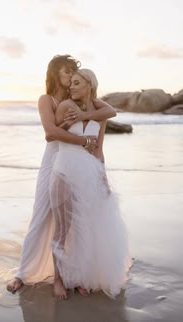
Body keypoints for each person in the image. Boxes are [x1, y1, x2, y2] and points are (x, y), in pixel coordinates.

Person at [6, 55, 116, 294]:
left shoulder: (75, 99)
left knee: (73, 220)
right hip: (52, 160)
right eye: (67, 72)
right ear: (56, 73)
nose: (70, 77)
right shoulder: (47, 99)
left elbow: (108, 112)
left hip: (78, 162)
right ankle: (22, 273)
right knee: (41, 214)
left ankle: (71, 274)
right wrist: (83, 140)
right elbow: (50, 132)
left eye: (73, 74)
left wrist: (87, 123)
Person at [49, 68, 132, 299]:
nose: (71, 87)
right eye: (71, 83)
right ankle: (58, 279)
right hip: (64, 171)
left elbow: (98, 149)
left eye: (76, 83)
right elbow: (53, 134)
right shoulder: (65, 106)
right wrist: (68, 126)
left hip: (88, 174)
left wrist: (103, 177)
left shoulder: (100, 112)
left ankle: (76, 278)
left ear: (89, 85)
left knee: (82, 228)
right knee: (62, 229)